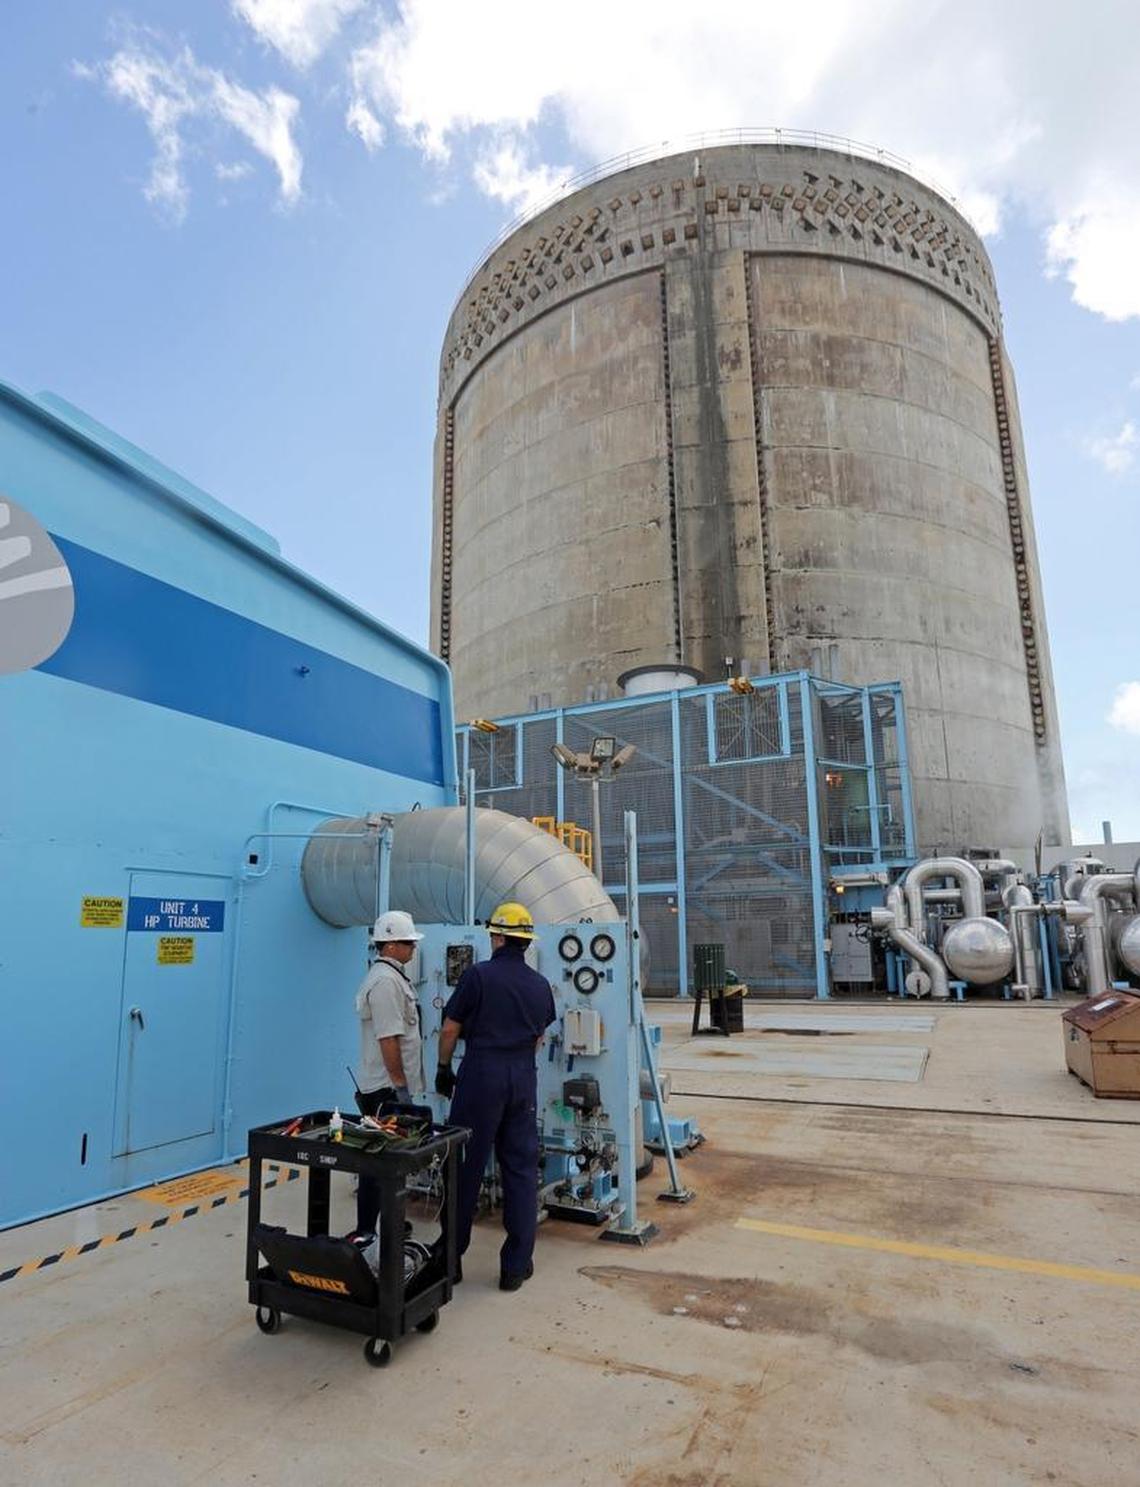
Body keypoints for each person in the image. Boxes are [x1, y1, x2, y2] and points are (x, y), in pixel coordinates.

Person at [434, 902, 556, 1291]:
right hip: (522, 1078)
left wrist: (443, 1068)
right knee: (520, 1169)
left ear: (498, 937)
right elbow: (539, 1037)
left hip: (481, 1075)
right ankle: (515, 1267)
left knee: (464, 1166)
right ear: (526, 942)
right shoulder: (540, 985)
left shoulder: (478, 976)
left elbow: (450, 1029)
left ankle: (450, 1260)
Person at [352, 909, 424, 1237]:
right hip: (385, 1089)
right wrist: (400, 1086)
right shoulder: (385, 982)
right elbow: (388, 1038)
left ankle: (389, 1223)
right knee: (379, 1164)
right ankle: (368, 1229)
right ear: (391, 945)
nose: (413, 948)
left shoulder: (393, 977)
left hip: (388, 1087)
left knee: (390, 1162)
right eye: (408, 943)